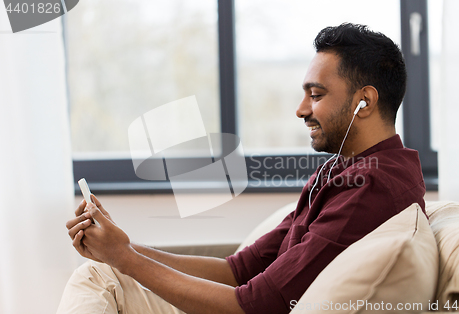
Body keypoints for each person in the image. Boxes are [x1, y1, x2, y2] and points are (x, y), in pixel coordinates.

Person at [57, 23, 425, 314]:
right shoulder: (340, 171)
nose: (300, 109)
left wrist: (123, 258)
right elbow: (238, 270)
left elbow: (257, 305)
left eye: (316, 95)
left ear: (365, 101)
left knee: (99, 277)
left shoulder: (370, 187)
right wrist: (123, 248)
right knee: (101, 272)